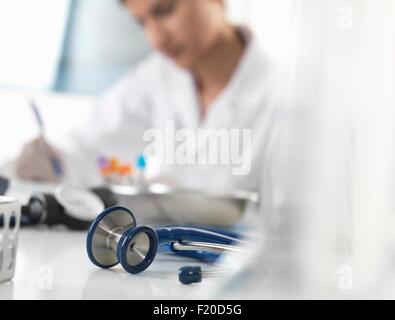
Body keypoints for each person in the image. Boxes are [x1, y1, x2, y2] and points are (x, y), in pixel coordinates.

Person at [16, 0, 279, 193]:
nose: (156, 39)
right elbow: (91, 146)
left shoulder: (285, 96)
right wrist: (54, 160)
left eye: (165, 10)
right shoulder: (157, 77)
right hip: (160, 255)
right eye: (142, 22)